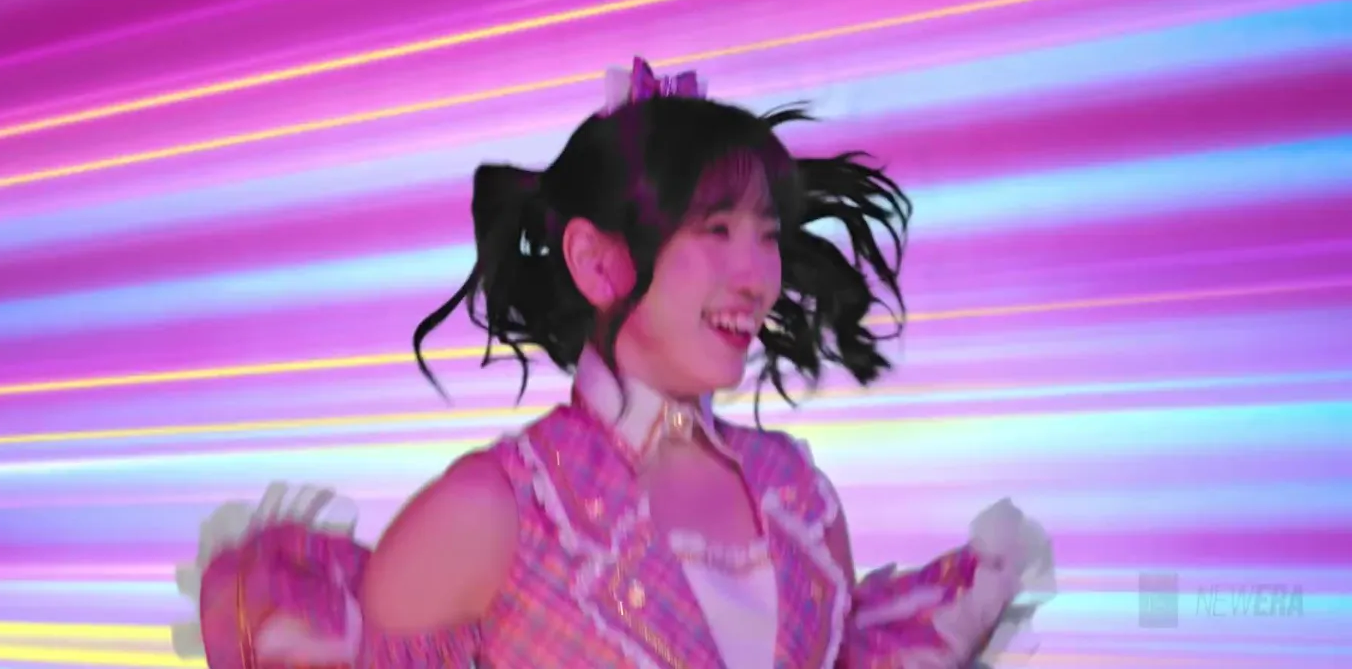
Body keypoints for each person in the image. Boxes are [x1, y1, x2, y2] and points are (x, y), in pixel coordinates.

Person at [171, 58, 1056, 668]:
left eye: (766, 235)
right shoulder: (500, 508)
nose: (757, 274)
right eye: (715, 230)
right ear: (598, 262)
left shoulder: (797, 498)